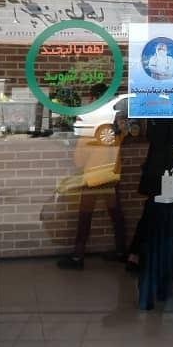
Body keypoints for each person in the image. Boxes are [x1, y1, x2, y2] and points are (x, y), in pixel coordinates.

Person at [57, 83, 128, 270]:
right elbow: (121, 138)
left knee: (85, 215)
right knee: (116, 214)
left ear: (95, 98)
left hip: (93, 175)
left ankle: (77, 257)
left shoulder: (90, 120)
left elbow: (80, 159)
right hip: (111, 174)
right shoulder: (117, 121)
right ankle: (122, 251)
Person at [126, 116, 173, 270]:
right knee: (155, 214)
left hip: (159, 171)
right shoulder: (163, 116)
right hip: (161, 173)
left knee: (153, 214)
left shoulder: (159, 116)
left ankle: (137, 254)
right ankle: (140, 254)